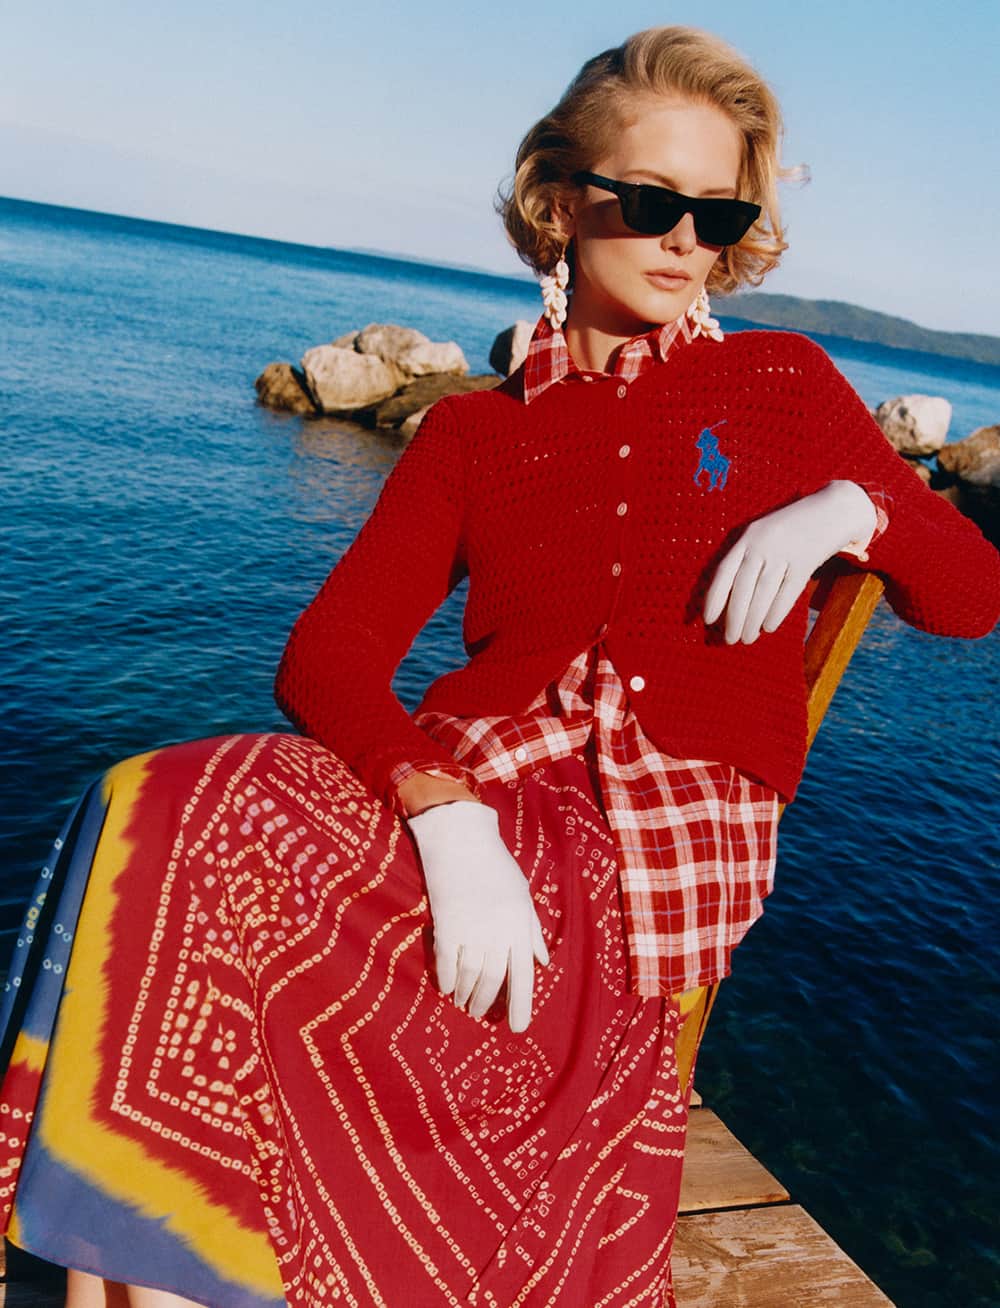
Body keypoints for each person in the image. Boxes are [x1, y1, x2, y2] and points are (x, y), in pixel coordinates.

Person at [1, 24, 998, 1308]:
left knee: (210, 850)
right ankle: (153, 1269)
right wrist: (443, 813)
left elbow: (968, 595)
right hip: (473, 796)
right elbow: (331, 654)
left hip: (649, 847)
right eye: (651, 200)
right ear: (558, 198)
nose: (688, 238)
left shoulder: (783, 387)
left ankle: (140, 1272)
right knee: (162, 798)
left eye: (720, 209)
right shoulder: (473, 433)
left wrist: (855, 510)